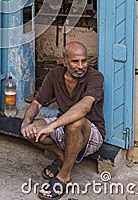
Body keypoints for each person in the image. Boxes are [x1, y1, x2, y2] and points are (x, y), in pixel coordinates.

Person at [21, 41, 105, 200]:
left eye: (84, 61)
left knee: (76, 122)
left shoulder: (95, 77)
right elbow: (37, 103)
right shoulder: (55, 75)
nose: (81, 66)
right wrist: (26, 122)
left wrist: (52, 125)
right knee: (32, 129)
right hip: (64, 126)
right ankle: (62, 157)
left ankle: (64, 176)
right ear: (64, 61)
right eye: (75, 61)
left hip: (91, 132)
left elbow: (84, 107)